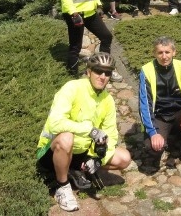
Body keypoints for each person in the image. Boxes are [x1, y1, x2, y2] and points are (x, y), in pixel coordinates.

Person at [36, 52, 132, 212]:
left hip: (82, 151)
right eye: (98, 71)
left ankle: (78, 170)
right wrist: (90, 130)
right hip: (52, 151)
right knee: (66, 138)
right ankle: (62, 186)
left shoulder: (107, 100)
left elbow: (111, 135)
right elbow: (55, 123)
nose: (103, 76)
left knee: (124, 158)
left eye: (107, 73)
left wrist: (96, 158)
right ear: (88, 71)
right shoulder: (72, 88)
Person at [138, 36, 181, 171]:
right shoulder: (146, 70)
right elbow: (145, 105)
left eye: (167, 52)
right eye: (160, 52)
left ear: (174, 52)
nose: (164, 56)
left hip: (180, 113)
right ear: (154, 53)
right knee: (153, 149)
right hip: (160, 116)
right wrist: (153, 132)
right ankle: (169, 139)